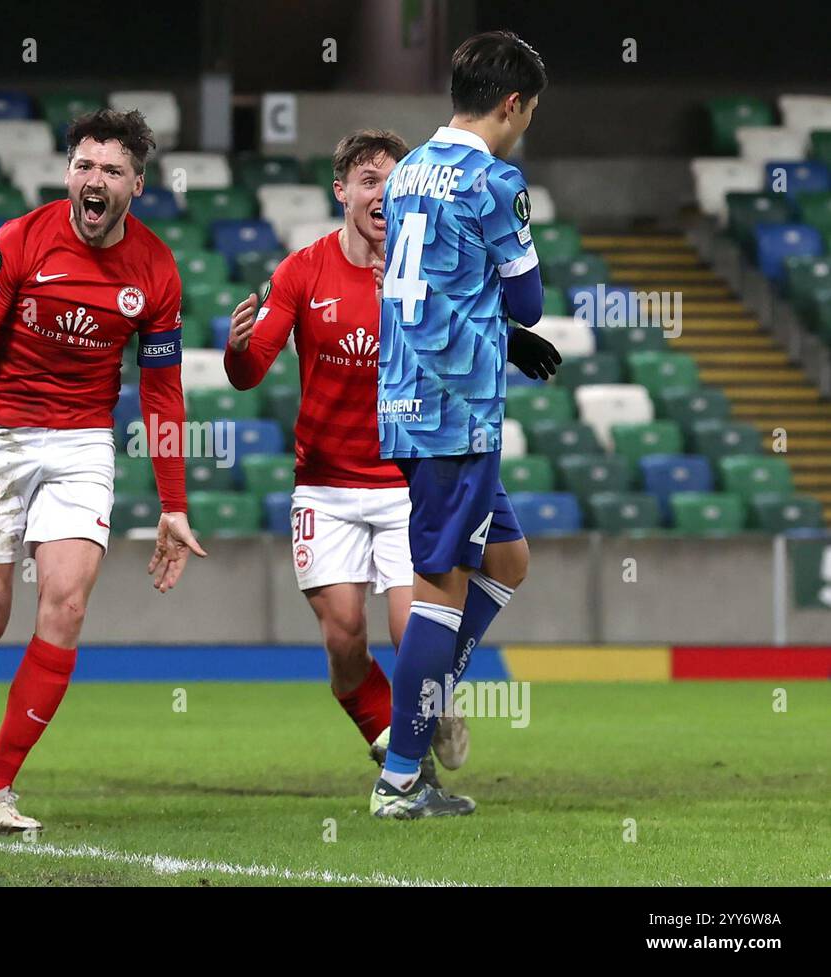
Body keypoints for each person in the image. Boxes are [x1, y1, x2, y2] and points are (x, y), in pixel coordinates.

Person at [0, 109, 205, 834]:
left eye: (111, 169)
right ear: (68, 173)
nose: (94, 179)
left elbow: (162, 389)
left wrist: (175, 502)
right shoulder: (18, 242)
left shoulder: (156, 270)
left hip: (81, 445)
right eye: (83, 165)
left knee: (67, 604)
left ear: (136, 182)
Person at [223, 129, 469, 786]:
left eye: (394, 180)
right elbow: (251, 373)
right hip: (326, 489)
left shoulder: (432, 272)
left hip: (403, 486)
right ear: (342, 191)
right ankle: (392, 729)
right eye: (368, 180)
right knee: (343, 638)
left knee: (409, 630)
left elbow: (459, 370)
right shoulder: (302, 271)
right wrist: (238, 349)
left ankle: (409, 749)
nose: (381, 194)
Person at [370, 31, 562, 819]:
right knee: (440, 588)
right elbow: (529, 301)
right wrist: (509, 320)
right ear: (512, 104)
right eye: (529, 112)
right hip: (457, 412)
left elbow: (427, 280)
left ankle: (416, 711)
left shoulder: (409, 168)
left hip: (407, 397)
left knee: (508, 560)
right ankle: (401, 773)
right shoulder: (495, 180)